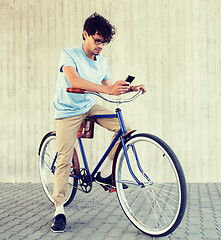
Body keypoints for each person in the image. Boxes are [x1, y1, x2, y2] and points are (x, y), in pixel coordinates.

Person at [51, 12, 146, 232]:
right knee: (64, 158)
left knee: (126, 129)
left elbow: (109, 87)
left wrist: (129, 87)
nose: (100, 46)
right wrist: (108, 89)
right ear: (85, 34)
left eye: (103, 42)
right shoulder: (69, 55)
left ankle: (104, 172)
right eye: (96, 40)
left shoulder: (101, 61)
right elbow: (74, 80)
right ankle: (59, 208)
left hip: (89, 106)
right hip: (67, 110)